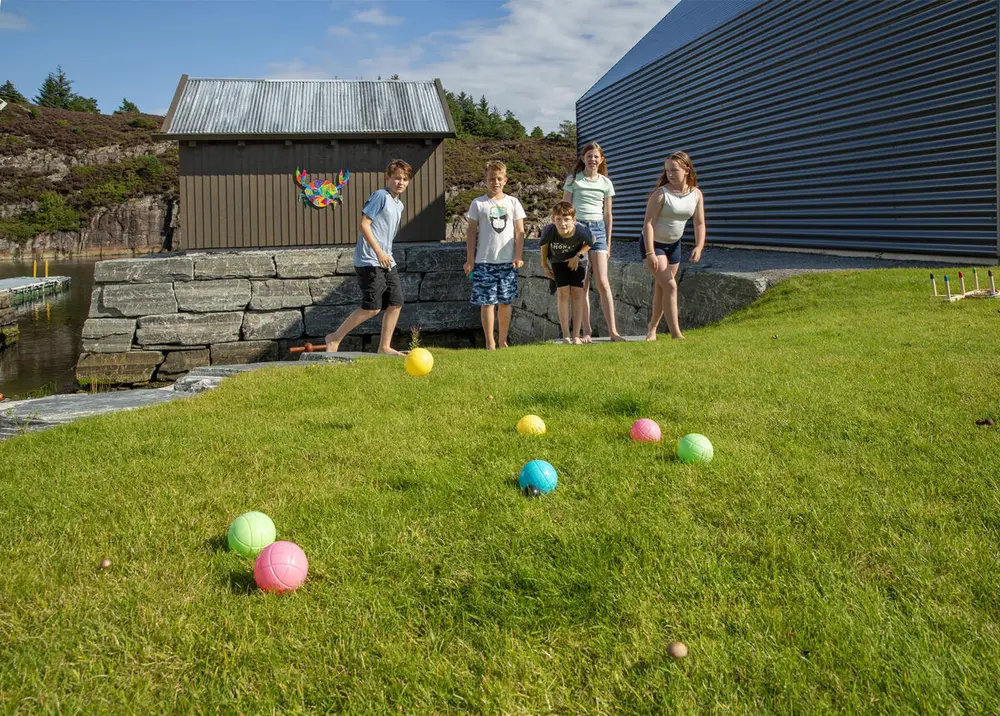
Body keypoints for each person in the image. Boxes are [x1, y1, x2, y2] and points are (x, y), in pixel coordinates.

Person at [325, 159, 412, 354]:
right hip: (369, 260)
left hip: (387, 260)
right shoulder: (380, 196)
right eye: (397, 178)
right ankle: (334, 338)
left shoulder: (399, 205)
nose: (400, 182)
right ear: (388, 178)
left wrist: (385, 254)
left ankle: (384, 347)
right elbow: (364, 224)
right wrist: (378, 251)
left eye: (405, 179)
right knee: (372, 308)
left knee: (396, 303)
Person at [642, 151, 706, 341]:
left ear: (686, 170)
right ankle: (676, 334)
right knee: (670, 286)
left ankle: (652, 329)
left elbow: (699, 223)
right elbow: (648, 224)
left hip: (673, 246)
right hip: (654, 245)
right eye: (667, 170)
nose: (670, 173)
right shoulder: (660, 194)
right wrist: (650, 252)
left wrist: (699, 246)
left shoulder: (696, 194)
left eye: (674, 170)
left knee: (662, 289)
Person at [463, 160, 526, 350]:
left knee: (505, 302)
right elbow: (471, 232)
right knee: (487, 303)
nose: (495, 182)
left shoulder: (513, 202)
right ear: (486, 180)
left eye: (499, 179)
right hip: (484, 261)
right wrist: (470, 260)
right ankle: (490, 342)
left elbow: (519, 231)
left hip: (508, 261)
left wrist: (518, 255)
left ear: (505, 180)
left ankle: (502, 340)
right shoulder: (478, 203)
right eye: (492, 179)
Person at [562, 141, 621, 342]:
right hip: (579, 231)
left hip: (598, 231)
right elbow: (565, 210)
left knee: (603, 282)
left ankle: (613, 331)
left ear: (601, 159)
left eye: (596, 156)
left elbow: (608, 215)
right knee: (582, 284)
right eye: (589, 156)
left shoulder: (606, 182)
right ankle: (587, 331)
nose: (593, 159)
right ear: (583, 158)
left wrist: (608, 242)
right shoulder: (573, 180)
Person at [540, 201, 594, 344]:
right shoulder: (549, 230)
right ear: (553, 220)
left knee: (577, 294)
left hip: (578, 261)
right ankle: (566, 335)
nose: (562, 223)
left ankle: (576, 335)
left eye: (566, 219)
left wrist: (577, 257)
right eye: (558, 219)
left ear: (574, 220)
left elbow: (591, 242)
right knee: (563, 293)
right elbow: (544, 246)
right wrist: (544, 265)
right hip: (558, 261)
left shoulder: (581, 230)